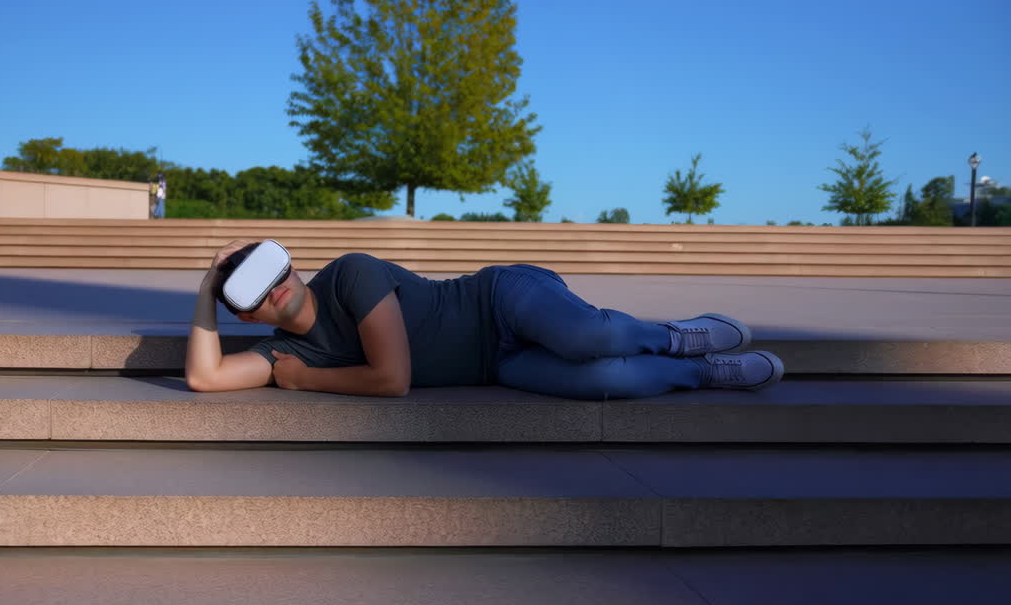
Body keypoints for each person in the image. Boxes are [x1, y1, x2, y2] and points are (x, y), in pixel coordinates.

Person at [185, 239, 784, 399]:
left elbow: (393, 379)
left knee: (589, 336)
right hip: (500, 364)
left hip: (498, 299)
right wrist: (209, 287)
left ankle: (679, 337)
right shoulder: (283, 353)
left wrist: (306, 379)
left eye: (277, 269)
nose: (275, 289)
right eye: (252, 293)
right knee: (610, 380)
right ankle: (708, 373)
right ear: (241, 311)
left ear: (293, 264)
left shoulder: (350, 274)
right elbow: (205, 378)